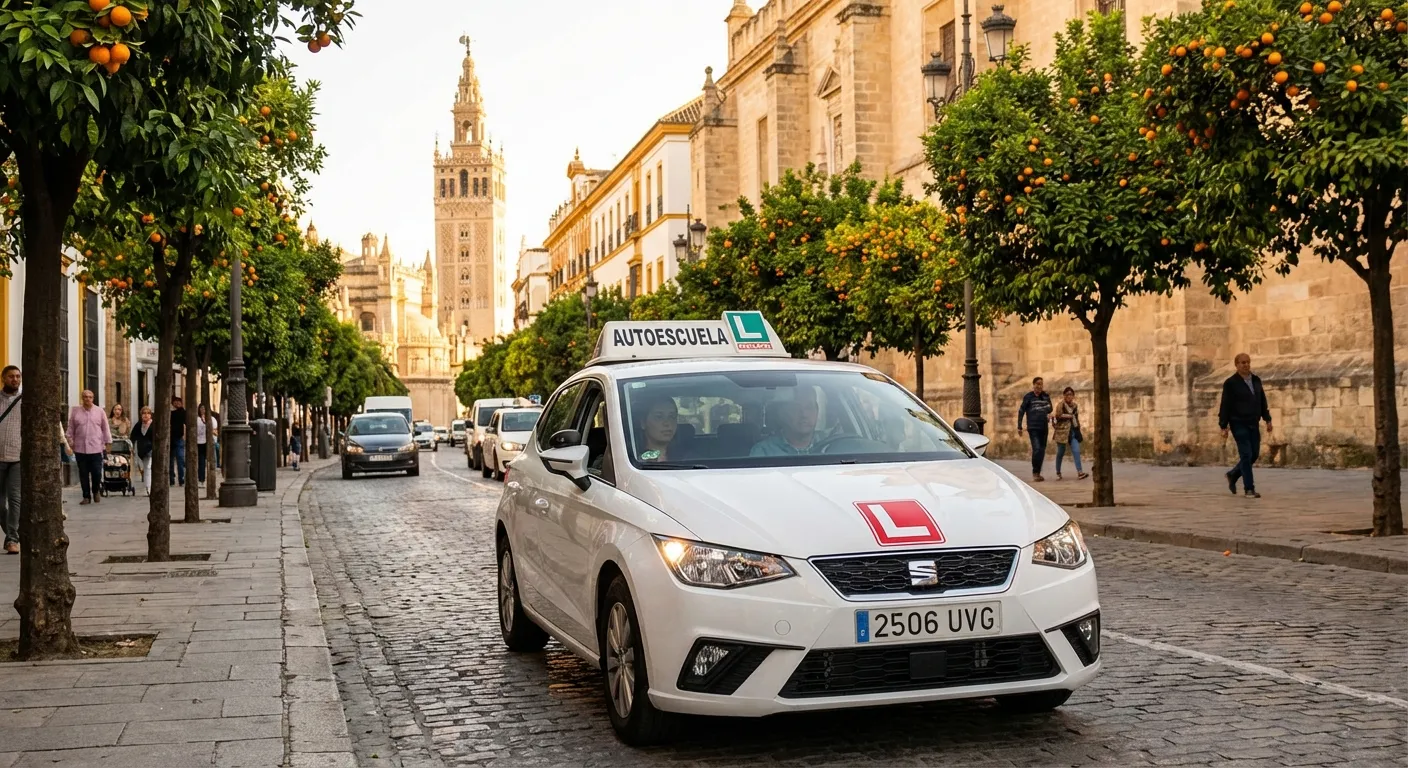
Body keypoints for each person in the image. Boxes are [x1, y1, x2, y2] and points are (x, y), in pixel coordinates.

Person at [1219, 352, 1273, 499]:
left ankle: (1233, 474)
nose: (1246, 365)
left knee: (1254, 454)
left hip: (1253, 423)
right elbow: (1225, 405)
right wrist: (1223, 425)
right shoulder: (1230, 383)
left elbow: (1262, 401)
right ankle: (1249, 488)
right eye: (1243, 362)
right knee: (1246, 454)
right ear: (1236, 365)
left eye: (1248, 362)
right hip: (1238, 423)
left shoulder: (1256, 380)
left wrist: (1267, 419)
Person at [751, 387, 824, 456]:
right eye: (796, 408)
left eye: (809, 407)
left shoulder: (829, 445)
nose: (804, 414)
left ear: (817, 411)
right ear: (782, 414)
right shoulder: (764, 451)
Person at [68, 389, 111, 505]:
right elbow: (71, 427)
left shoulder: (100, 411)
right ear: (82, 398)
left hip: (96, 447)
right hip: (80, 448)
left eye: (90, 397)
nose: (88, 399)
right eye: (85, 397)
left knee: (97, 472)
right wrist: (70, 441)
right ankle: (86, 496)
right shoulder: (76, 411)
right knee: (83, 474)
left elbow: (105, 428)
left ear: (93, 398)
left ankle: (96, 490)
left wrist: (108, 442)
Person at [0, 366, 22, 554]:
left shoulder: (24, 401)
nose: (14, 379)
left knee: (15, 499)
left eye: (17, 376)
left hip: (17, 457)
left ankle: (12, 539)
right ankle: (12, 533)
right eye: (11, 376)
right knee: (0, 504)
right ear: (3, 378)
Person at [1017, 376, 1053, 481]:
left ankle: (1038, 472)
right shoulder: (1028, 397)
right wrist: (1019, 426)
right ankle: (1035, 472)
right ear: (1033, 385)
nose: (1039, 386)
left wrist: (1045, 410)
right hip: (1033, 428)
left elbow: (1050, 408)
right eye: (1037, 384)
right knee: (1036, 449)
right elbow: (1021, 411)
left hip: (1044, 427)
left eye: (1041, 384)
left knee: (1042, 450)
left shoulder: (1045, 396)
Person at [1052, 387, 1088, 481]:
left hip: (1072, 432)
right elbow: (1058, 415)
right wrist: (1069, 416)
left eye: (1071, 394)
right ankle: (1058, 472)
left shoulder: (1075, 406)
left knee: (1076, 451)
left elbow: (1076, 418)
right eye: (1067, 394)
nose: (1069, 396)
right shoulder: (1060, 405)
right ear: (1064, 395)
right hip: (1062, 432)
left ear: (1073, 396)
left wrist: (1078, 429)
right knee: (1060, 452)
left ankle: (1080, 472)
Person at [634, 395, 678, 462]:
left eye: (672, 416)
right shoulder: (634, 460)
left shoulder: (688, 457)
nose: (667, 423)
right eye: (659, 417)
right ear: (643, 423)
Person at [130, 406, 156, 495]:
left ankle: (148, 488)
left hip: (151, 449)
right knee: (144, 468)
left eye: (148, 413)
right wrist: (131, 447)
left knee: (148, 467)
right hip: (141, 450)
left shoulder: (153, 424)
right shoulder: (139, 425)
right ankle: (148, 486)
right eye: (144, 413)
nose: (146, 415)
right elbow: (132, 436)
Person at [195, 403, 217, 483]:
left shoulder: (212, 419)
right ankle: (201, 479)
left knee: (211, 461)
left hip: (209, 442)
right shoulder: (196, 419)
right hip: (199, 442)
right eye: (201, 408)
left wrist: (206, 422)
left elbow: (215, 431)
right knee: (201, 461)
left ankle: (211, 479)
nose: (202, 410)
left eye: (204, 408)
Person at [169, 396, 187, 487]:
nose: (177, 403)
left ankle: (181, 479)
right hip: (170, 439)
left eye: (178, 402)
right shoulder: (170, 413)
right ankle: (171, 479)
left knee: (180, 459)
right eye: (175, 402)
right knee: (170, 461)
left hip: (179, 438)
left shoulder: (183, 412)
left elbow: (186, 424)